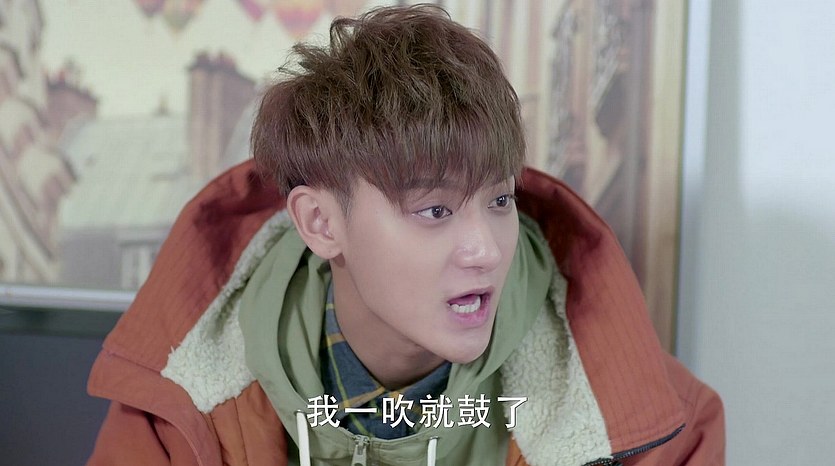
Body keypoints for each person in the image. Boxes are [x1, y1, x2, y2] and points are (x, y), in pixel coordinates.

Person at [86, 5, 724, 465]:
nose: (486, 250)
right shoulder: (178, 406)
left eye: (500, 199)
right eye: (435, 211)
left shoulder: (657, 428)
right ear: (321, 223)